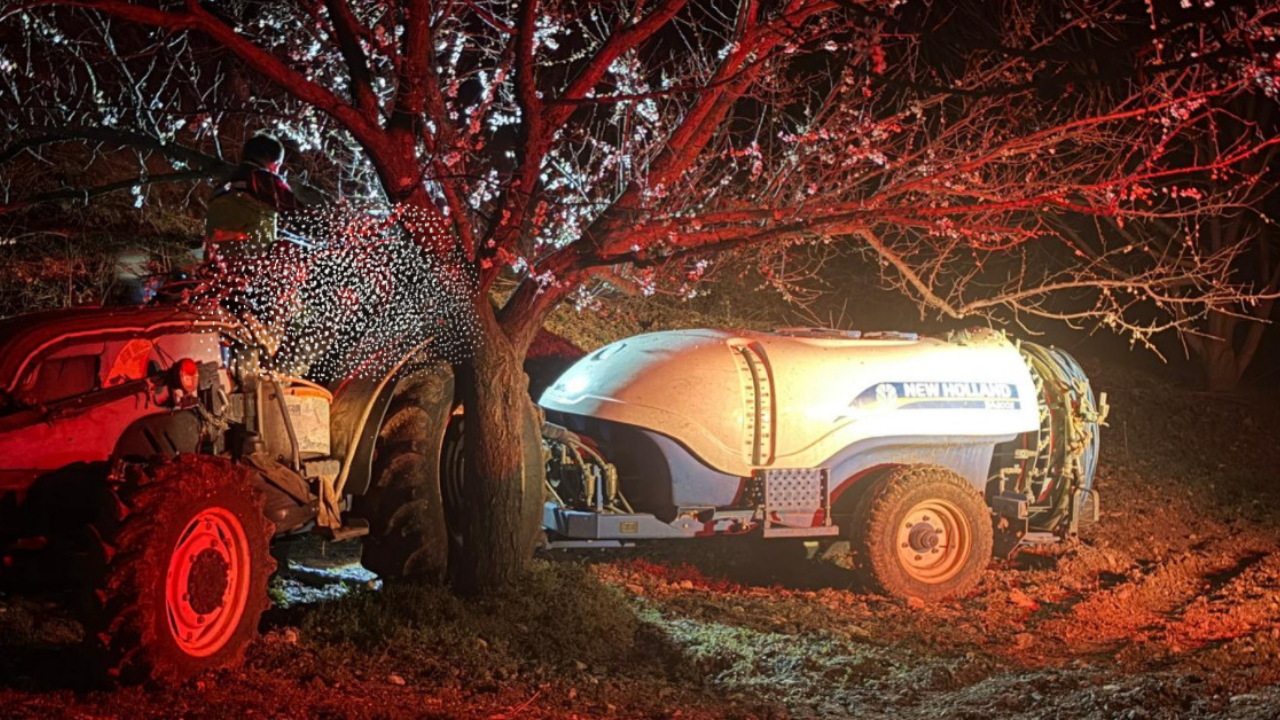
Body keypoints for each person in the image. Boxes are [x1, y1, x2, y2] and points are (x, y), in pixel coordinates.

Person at [204, 133, 300, 263]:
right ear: (272, 161)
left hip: (217, 261)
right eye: (278, 165)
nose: (277, 170)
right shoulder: (263, 180)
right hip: (253, 261)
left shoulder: (221, 187)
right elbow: (298, 211)